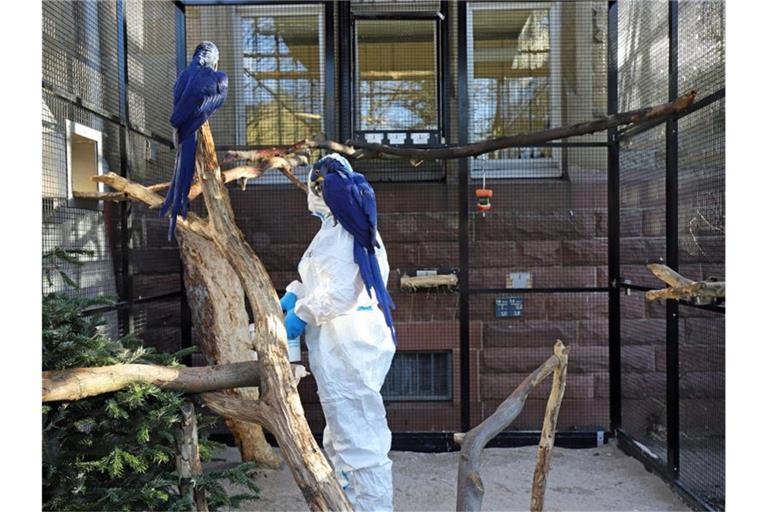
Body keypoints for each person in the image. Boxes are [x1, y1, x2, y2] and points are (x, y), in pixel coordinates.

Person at [280, 154, 396, 511]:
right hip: (333, 347)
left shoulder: (353, 231)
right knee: (339, 439)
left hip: (350, 345)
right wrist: (295, 293)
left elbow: (342, 292)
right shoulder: (331, 229)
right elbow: (321, 278)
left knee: (361, 444)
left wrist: (301, 313)